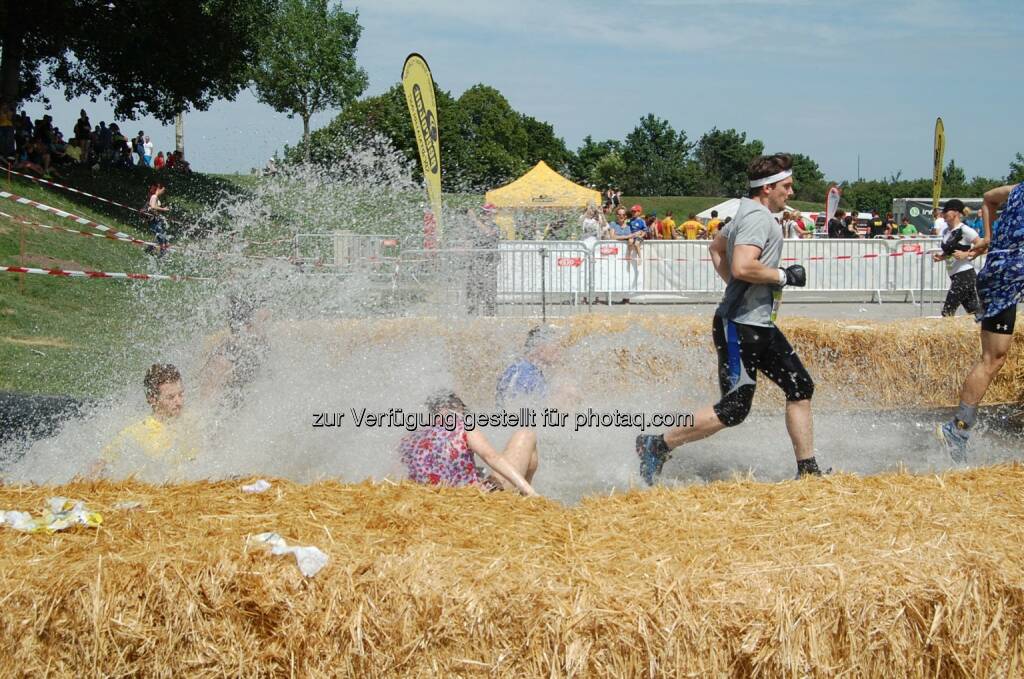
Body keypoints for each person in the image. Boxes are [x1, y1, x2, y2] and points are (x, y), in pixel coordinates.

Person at [635, 153, 823, 484]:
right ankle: (656, 444)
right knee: (734, 408)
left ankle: (808, 470)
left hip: (758, 322)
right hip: (739, 325)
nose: (791, 193)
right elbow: (741, 265)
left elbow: (715, 248)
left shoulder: (747, 214)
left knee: (800, 386)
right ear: (767, 189)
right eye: (787, 186)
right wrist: (783, 276)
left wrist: (737, 288)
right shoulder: (757, 219)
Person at [937, 183, 1023, 461]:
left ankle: (958, 427)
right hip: (1005, 276)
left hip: (1000, 273)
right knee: (992, 358)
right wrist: (988, 237)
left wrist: (988, 236)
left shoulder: (1017, 189)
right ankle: (957, 428)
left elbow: (987, 199)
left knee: (994, 358)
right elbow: (987, 201)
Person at [398, 391, 539, 496]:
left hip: (435, 506)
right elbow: (491, 457)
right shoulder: (462, 426)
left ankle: (522, 502)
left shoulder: (410, 438)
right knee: (526, 436)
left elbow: (400, 479)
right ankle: (525, 499)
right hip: (473, 501)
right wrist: (532, 493)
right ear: (457, 409)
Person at [94, 364, 198, 479]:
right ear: (152, 399)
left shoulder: (191, 425)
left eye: (181, 394)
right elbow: (99, 464)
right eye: (171, 397)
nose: (179, 402)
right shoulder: (137, 432)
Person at [201, 295, 271, 409]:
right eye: (263, 323)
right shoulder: (222, 363)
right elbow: (206, 409)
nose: (267, 329)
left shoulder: (257, 344)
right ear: (247, 327)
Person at [933, 199, 981, 317]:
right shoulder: (946, 231)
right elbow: (951, 251)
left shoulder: (965, 230)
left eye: (946, 211)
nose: (943, 214)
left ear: (955, 212)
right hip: (955, 275)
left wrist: (967, 254)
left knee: (947, 311)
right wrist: (942, 257)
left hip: (964, 275)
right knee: (975, 311)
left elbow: (984, 247)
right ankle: (989, 331)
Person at [496, 326, 561, 407]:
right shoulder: (523, 373)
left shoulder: (530, 371)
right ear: (541, 348)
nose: (559, 352)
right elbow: (514, 410)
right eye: (556, 347)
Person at [143, 183, 171, 255]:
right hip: (153, 221)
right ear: (158, 189)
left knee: (160, 235)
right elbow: (152, 207)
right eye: (163, 190)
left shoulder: (156, 197)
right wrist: (163, 209)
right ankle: (162, 252)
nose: (163, 192)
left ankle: (150, 249)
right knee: (160, 236)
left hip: (156, 220)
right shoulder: (154, 196)